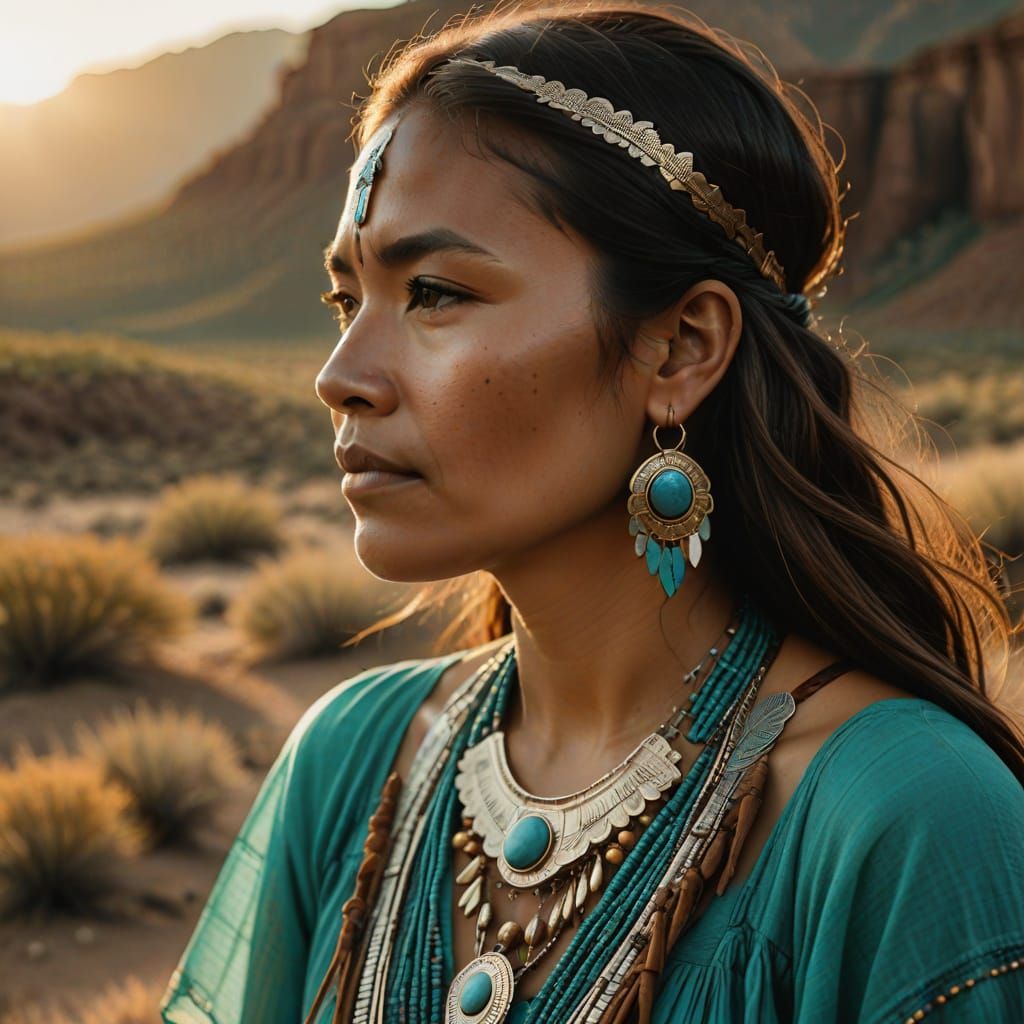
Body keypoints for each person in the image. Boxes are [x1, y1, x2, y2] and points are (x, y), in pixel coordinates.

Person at [159, 2, 1024, 1022]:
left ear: (680, 348)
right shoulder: (349, 758)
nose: (340, 376)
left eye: (434, 292)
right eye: (347, 302)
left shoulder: (905, 817)